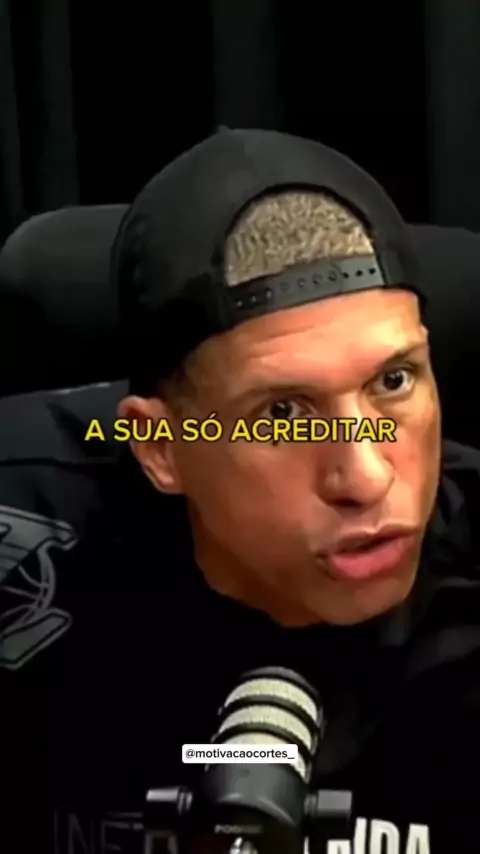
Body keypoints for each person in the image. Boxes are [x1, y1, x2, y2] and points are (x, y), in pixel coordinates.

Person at [2, 128, 480, 854]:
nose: (367, 476)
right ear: (162, 448)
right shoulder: (26, 530)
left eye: (393, 380)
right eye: (283, 414)